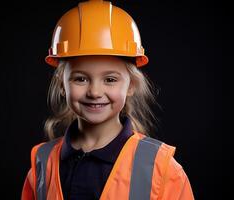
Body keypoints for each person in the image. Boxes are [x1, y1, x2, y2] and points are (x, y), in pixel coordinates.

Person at [21, 0, 194, 199]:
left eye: (110, 79)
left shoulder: (162, 169)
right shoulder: (42, 164)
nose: (94, 91)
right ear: (62, 84)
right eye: (80, 78)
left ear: (131, 86)